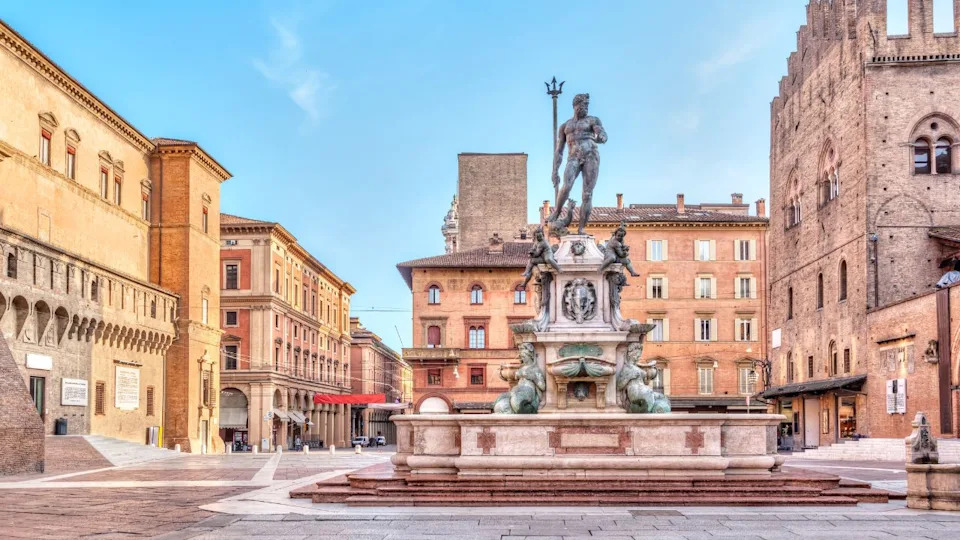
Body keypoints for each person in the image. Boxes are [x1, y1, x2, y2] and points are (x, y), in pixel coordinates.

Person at [546, 93, 607, 234]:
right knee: (566, 186)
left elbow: (601, 131)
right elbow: (559, 151)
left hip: (591, 155)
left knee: (587, 194)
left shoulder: (592, 120)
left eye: (587, 105)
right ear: (575, 106)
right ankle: (557, 211)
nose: (585, 107)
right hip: (573, 157)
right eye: (583, 105)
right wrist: (555, 171)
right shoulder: (565, 127)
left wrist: (602, 136)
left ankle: (581, 228)